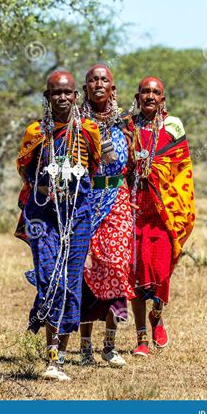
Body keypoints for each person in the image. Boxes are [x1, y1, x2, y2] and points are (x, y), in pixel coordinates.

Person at [15, 70, 101, 380]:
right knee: (52, 279)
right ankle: (51, 350)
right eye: (55, 93)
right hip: (42, 214)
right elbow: (24, 169)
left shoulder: (89, 131)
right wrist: (43, 185)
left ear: (76, 96)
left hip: (77, 214)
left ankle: (57, 359)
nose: (62, 98)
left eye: (67, 92)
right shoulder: (36, 132)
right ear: (47, 98)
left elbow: (94, 167)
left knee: (72, 283)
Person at [126, 76, 195, 357]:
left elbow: (182, 168)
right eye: (146, 92)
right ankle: (141, 337)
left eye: (156, 92)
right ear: (138, 96)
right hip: (134, 206)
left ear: (163, 99)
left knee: (161, 270)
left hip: (164, 208)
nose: (150, 96)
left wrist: (161, 181)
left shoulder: (173, 125)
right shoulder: (126, 125)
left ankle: (157, 313)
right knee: (136, 271)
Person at [79, 64, 135, 367]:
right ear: (86, 87)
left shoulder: (125, 125)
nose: (98, 83)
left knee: (116, 267)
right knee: (85, 270)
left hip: (118, 201)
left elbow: (134, 167)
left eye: (104, 80)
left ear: (112, 88)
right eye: (92, 80)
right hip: (87, 200)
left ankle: (109, 346)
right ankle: (85, 345)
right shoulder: (77, 123)